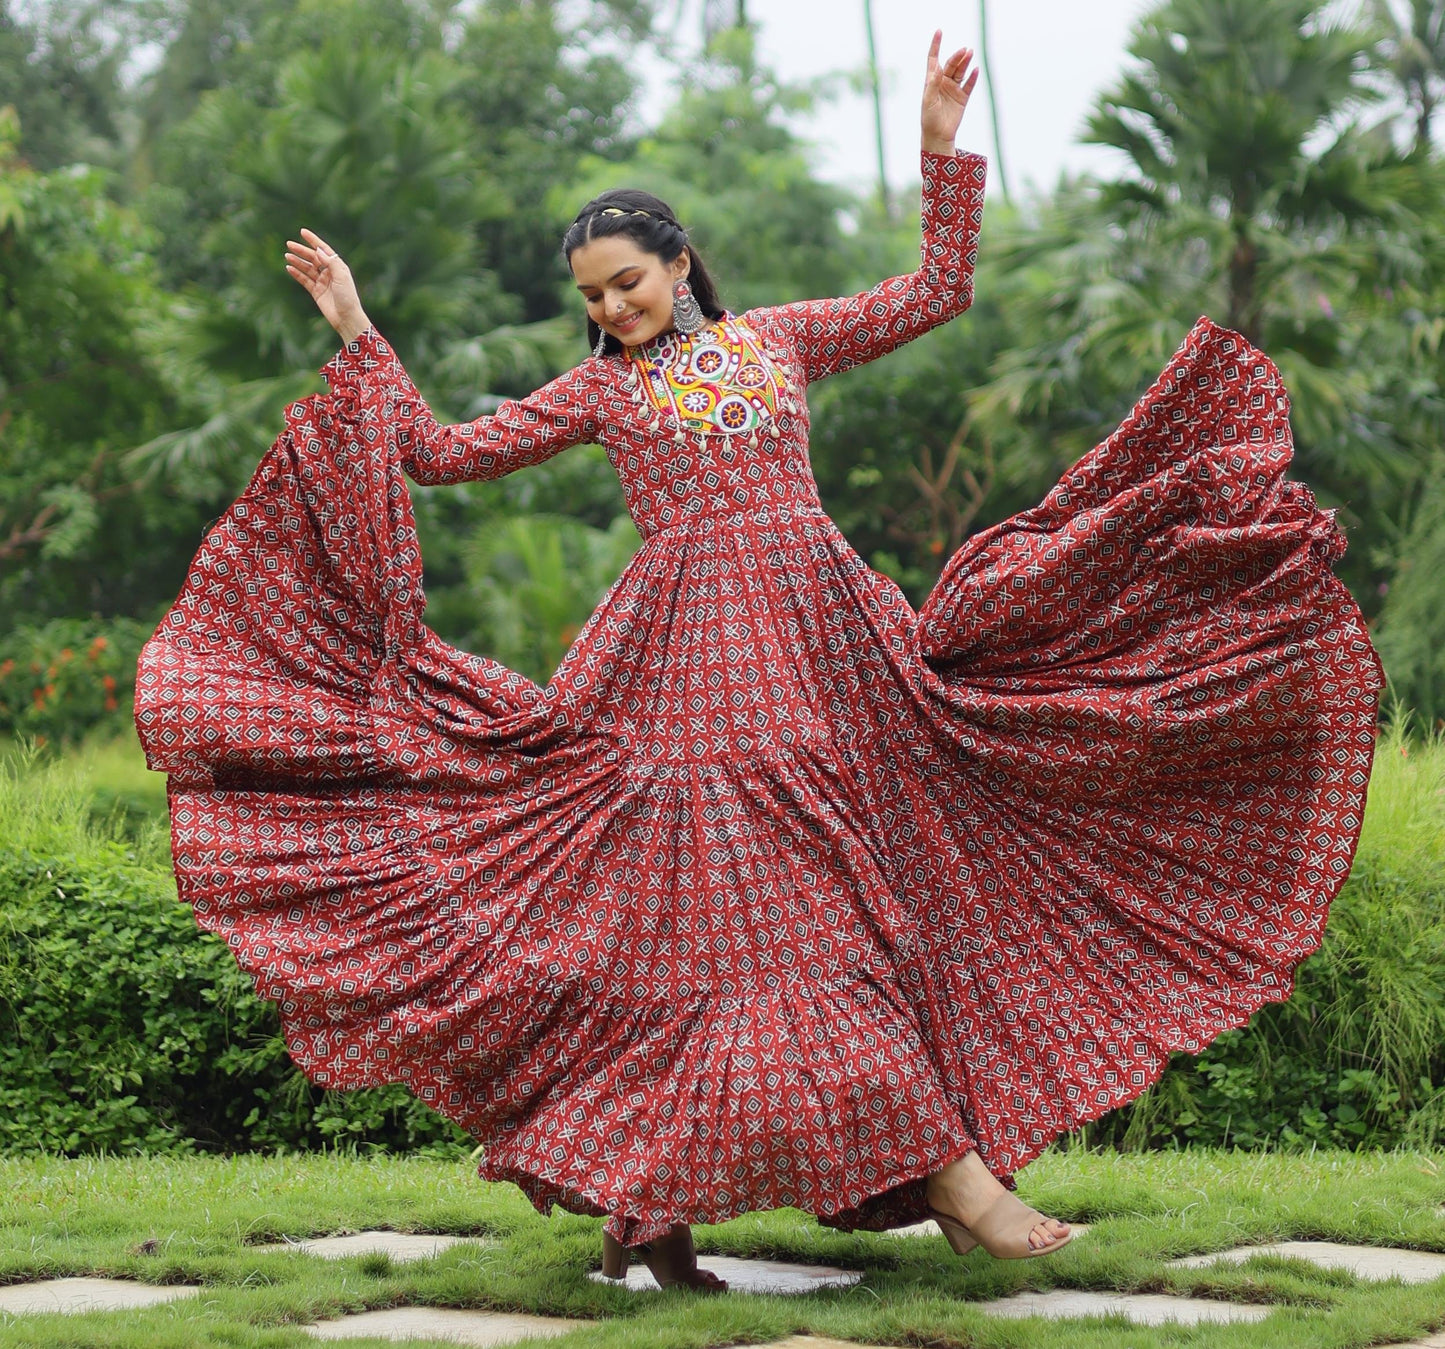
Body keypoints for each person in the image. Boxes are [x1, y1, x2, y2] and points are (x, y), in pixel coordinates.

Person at [134, 26, 1385, 1294]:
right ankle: (934, 1191)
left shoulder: (774, 339)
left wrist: (936, 153)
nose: (611, 308)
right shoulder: (598, 394)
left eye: (627, 280)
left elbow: (931, 293)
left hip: (824, 634)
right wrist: (354, 326)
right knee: (741, 906)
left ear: (679, 262)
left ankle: (654, 1204)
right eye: (592, 297)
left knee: (832, 896)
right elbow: (437, 451)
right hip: (683, 660)